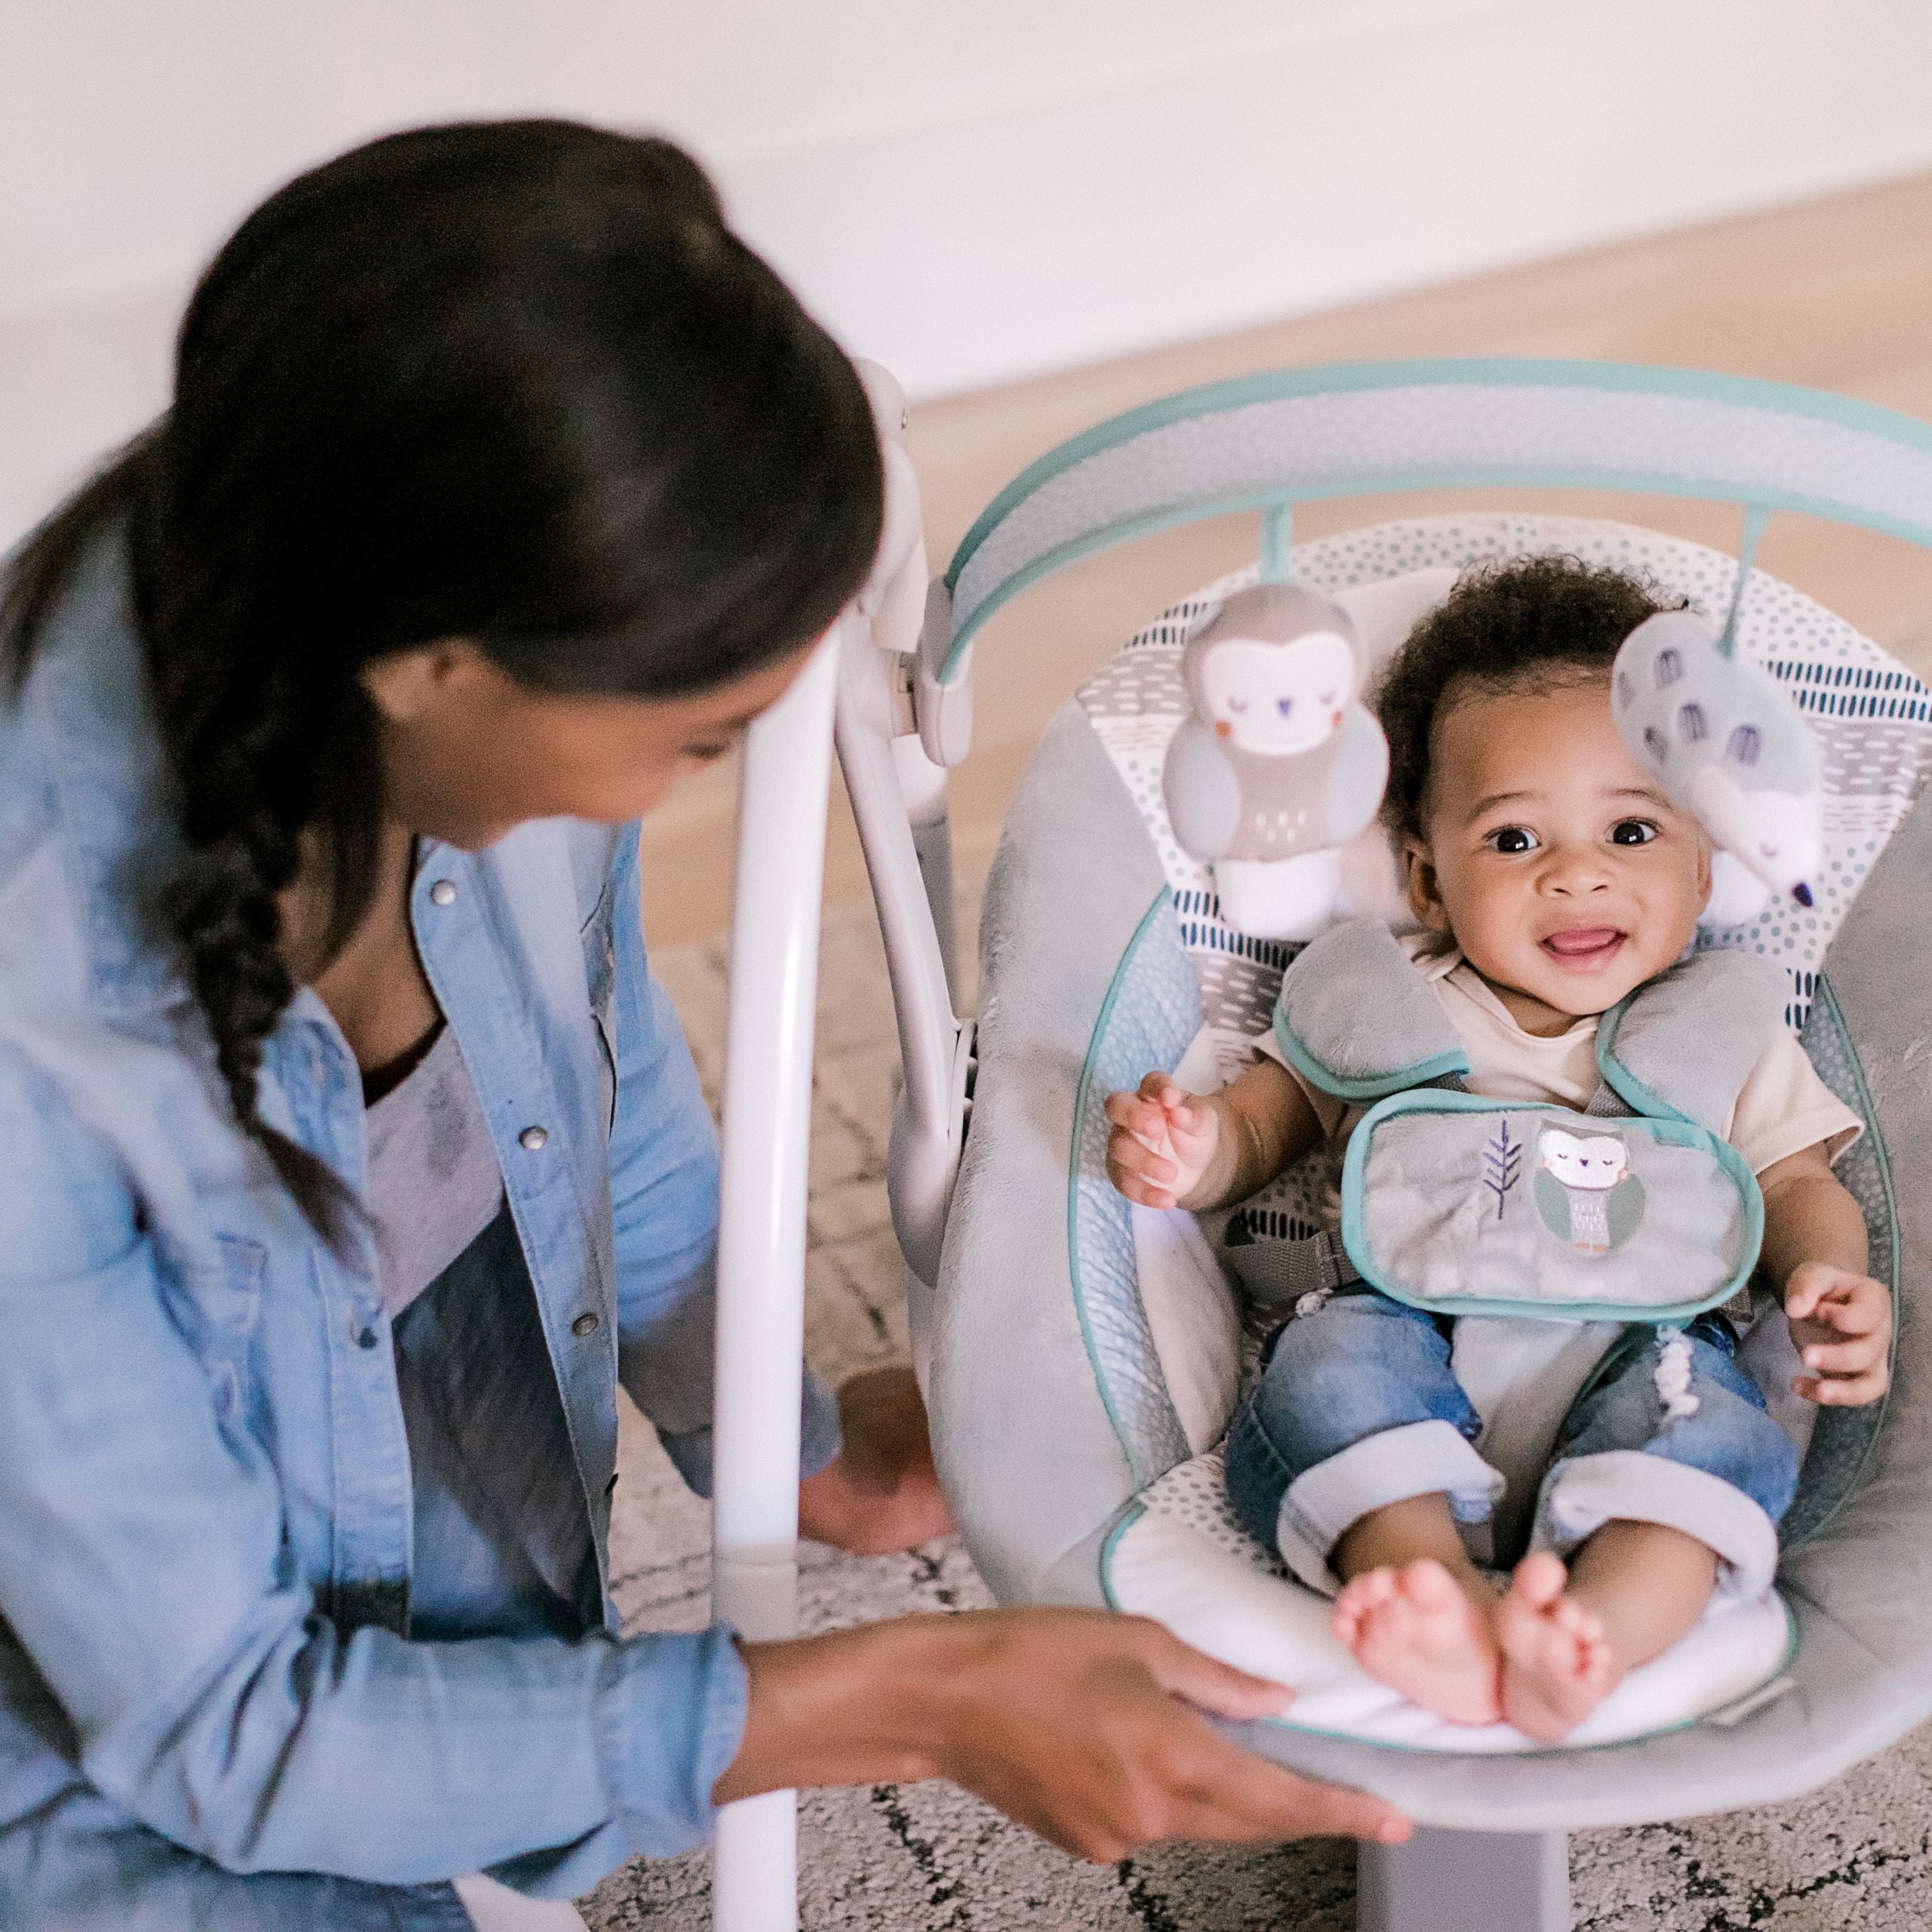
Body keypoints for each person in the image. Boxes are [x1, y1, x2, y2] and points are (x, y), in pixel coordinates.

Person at [0, 120, 1405, 1930]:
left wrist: (782, 1439)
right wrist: (913, 1696)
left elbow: (598, 1089)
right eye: (696, 740)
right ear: (433, 665)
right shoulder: (45, 1039)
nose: (696, 784)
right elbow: (226, 1729)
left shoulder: (396, 644)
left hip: (342, 1612)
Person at [1106, 557, 1890, 1742]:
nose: (1577, 873)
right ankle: (1433, 1596)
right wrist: (1194, 1148)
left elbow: (1794, 1180)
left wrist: (1828, 1278)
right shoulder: (1385, 1002)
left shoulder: (1725, 1026)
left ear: (1703, 867)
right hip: (1404, 1327)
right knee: (1322, 1376)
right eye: (1515, 839)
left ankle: (1594, 1637)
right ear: (1429, 880)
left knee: (1718, 1440)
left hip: (1646, 1350)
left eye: (1631, 829)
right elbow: (1264, 1123)